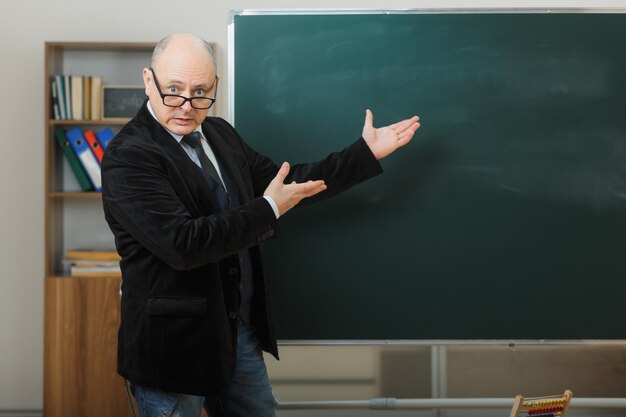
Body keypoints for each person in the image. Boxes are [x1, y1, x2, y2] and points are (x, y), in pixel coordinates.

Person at [101, 32, 420, 417]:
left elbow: (287, 185)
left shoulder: (220, 135)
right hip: (174, 352)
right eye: (173, 89)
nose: (187, 105)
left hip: (236, 336)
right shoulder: (129, 155)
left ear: (215, 86)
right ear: (148, 81)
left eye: (201, 92)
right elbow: (184, 244)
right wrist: (269, 208)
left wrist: (363, 154)